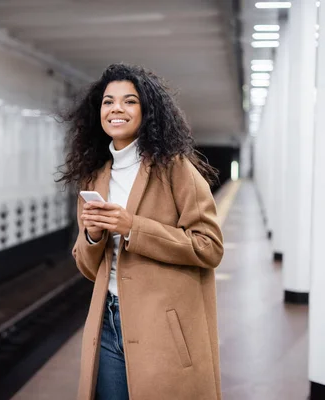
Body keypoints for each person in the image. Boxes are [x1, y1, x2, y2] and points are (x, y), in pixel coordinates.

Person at [57, 63, 224, 400]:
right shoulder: (95, 177)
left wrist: (132, 227)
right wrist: (92, 236)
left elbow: (209, 247)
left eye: (129, 101)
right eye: (108, 101)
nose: (116, 108)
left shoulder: (175, 168)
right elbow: (89, 268)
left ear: (146, 111)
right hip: (108, 320)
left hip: (162, 325)